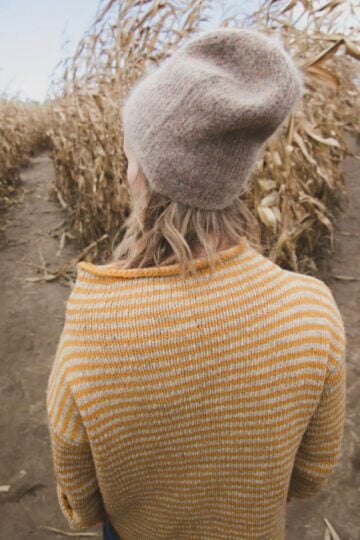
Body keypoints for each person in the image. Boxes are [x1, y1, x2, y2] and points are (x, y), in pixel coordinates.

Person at [46, 27, 346, 540]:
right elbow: (312, 475)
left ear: (146, 173)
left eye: (129, 155)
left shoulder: (93, 327)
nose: (124, 168)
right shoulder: (312, 310)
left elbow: (81, 505)